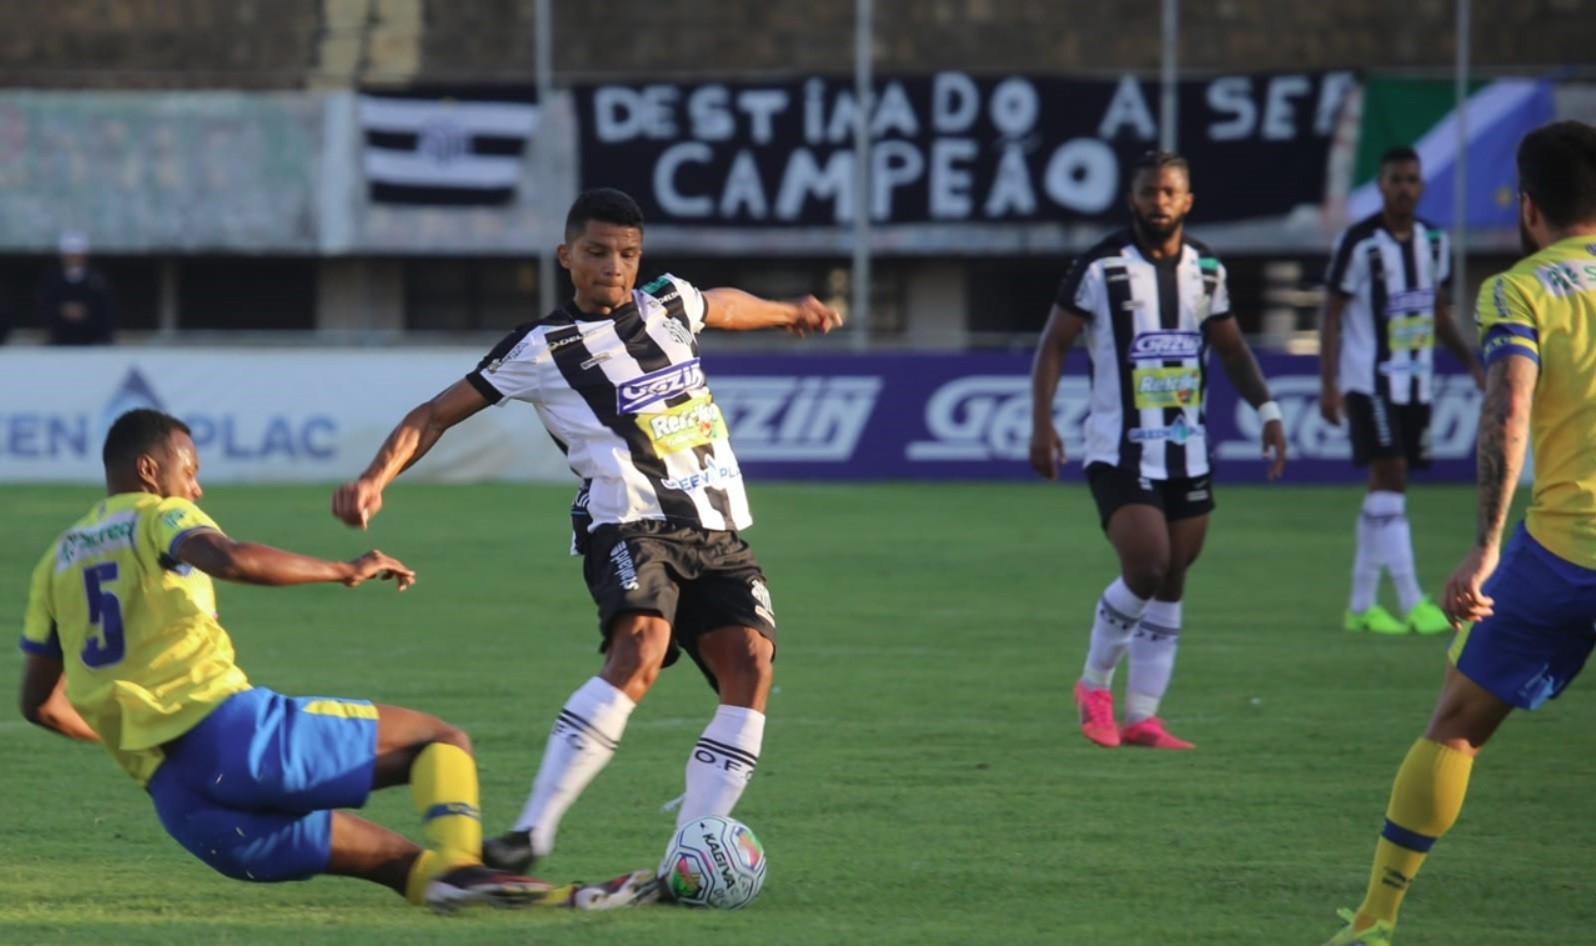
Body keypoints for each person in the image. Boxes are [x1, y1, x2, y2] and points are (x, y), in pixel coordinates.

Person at [331, 188, 843, 872]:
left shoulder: (665, 304)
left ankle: (687, 854)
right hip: (630, 528)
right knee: (640, 648)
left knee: (750, 665)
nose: (614, 266)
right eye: (597, 252)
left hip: (719, 532)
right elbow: (435, 413)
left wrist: (788, 313)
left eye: (627, 253)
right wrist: (375, 477)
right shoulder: (541, 347)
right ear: (566, 257)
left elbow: (720, 302)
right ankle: (532, 833)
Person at [18, 408, 654, 913]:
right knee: (443, 742)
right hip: (235, 740)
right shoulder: (158, 514)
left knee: (410, 869)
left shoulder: (55, 561)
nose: (198, 485)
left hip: (186, 811)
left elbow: (40, 705)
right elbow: (228, 557)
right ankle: (465, 862)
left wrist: (135, 737)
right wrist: (342, 568)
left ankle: (563, 901)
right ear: (151, 470)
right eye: (191, 471)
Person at [1320, 121, 1596, 946]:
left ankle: (1375, 919)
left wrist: (1484, 548)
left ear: (1528, 208)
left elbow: (1508, 412)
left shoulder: (1521, 289)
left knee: (1455, 729)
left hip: (1561, 554)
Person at [1028, 150, 1288, 751]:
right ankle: (1093, 686)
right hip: (1118, 449)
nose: (1159, 202)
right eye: (1149, 192)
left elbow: (1232, 351)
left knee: (1173, 576)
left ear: (1187, 200)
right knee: (1145, 566)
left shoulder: (1206, 271)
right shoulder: (1100, 268)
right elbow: (1052, 345)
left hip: (1186, 449)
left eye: (1170, 192)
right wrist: (1042, 424)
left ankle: (1143, 715)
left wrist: (1268, 411)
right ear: (1133, 198)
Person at [1319, 147, 1485, 636]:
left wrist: (1470, 363)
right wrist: (1328, 384)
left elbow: (1437, 311)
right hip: (1367, 381)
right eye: (1395, 179)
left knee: (1387, 492)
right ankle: (1414, 600)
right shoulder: (1360, 243)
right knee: (1389, 475)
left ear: (1421, 186)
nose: (1404, 187)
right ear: (1382, 184)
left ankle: (1361, 606)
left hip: (1414, 383)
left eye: (1412, 179)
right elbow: (1330, 312)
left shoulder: (1433, 242)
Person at [36, 231, 117, 346]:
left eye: (77, 254)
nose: (73, 258)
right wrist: (62, 310)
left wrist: (87, 311)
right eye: (69, 254)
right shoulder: (53, 280)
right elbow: (45, 304)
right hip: (60, 340)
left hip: (92, 341)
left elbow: (106, 309)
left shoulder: (96, 280)